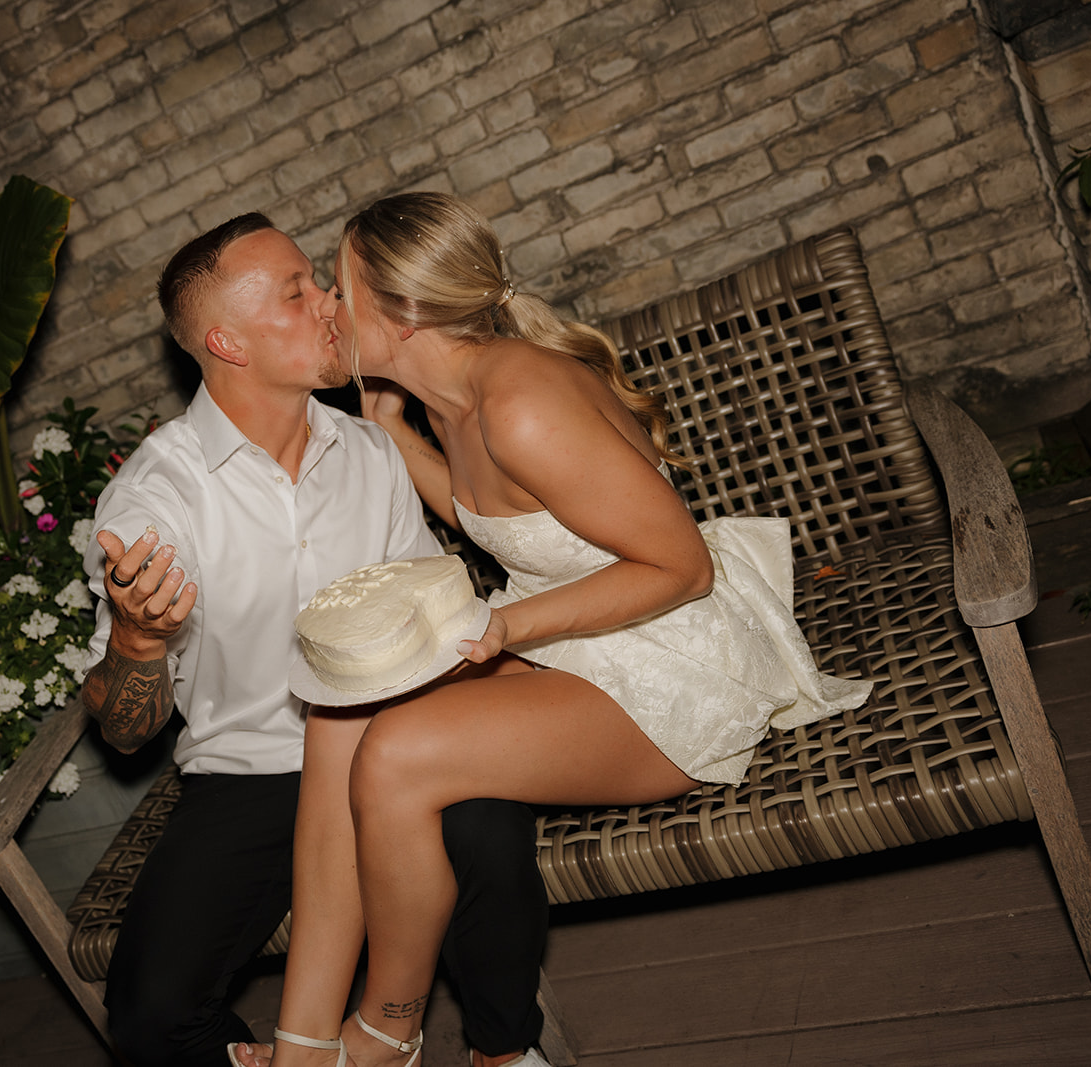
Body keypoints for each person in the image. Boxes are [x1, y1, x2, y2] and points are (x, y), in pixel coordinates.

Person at [262, 192, 874, 1067]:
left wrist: (506, 623)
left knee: (396, 755)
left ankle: (383, 1034)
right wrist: (392, 432)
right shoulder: (450, 395)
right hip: (586, 642)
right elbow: (499, 522)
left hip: (677, 656)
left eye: (338, 286)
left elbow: (680, 568)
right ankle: (309, 1036)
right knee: (342, 717)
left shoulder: (520, 401)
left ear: (398, 312)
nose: (326, 304)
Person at [79, 212, 549, 1067]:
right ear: (228, 341)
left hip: (397, 744)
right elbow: (123, 730)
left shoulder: (371, 452)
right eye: (299, 293)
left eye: (319, 283)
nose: (331, 302)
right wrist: (140, 644)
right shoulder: (157, 501)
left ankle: (505, 1053)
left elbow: (425, 623)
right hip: (250, 774)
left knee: (488, 829)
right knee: (150, 1016)